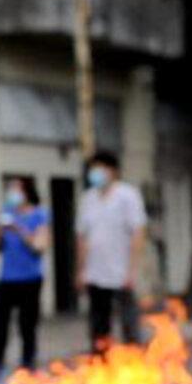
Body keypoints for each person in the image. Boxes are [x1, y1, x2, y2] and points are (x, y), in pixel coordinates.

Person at [0, 176, 49, 381]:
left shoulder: (39, 215)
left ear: (27, 192)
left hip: (30, 279)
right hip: (7, 278)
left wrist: (19, 229)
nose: (12, 193)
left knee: (27, 324)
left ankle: (28, 363)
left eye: (16, 189)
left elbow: (39, 247)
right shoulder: (5, 214)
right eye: (9, 189)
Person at [75, 150, 146, 351]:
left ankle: (135, 362)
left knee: (129, 321)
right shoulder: (87, 199)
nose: (95, 173)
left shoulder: (128, 195)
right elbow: (82, 236)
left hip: (121, 271)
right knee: (98, 323)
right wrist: (81, 270)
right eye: (93, 169)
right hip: (95, 272)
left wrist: (132, 270)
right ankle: (100, 364)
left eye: (100, 168)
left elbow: (138, 233)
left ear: (113, 171)